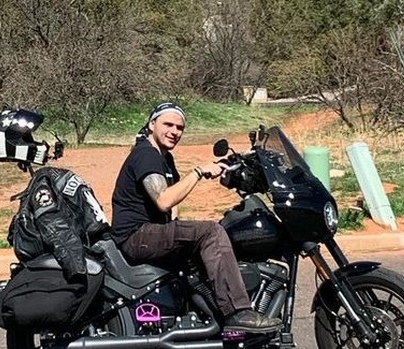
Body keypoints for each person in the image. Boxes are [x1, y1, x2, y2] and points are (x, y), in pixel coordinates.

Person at [110, 102, 282, 333]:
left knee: (209, 235)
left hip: (150, 233)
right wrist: (198, 172)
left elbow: (172, 208)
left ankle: (205, 322)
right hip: (137, 235)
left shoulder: (164, 157)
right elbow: (164, 200)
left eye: (179, 127)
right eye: (168, 124)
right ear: (152, 125)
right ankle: (238, 312)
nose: (174, 132)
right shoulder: (146, 154)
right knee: (211, 231)